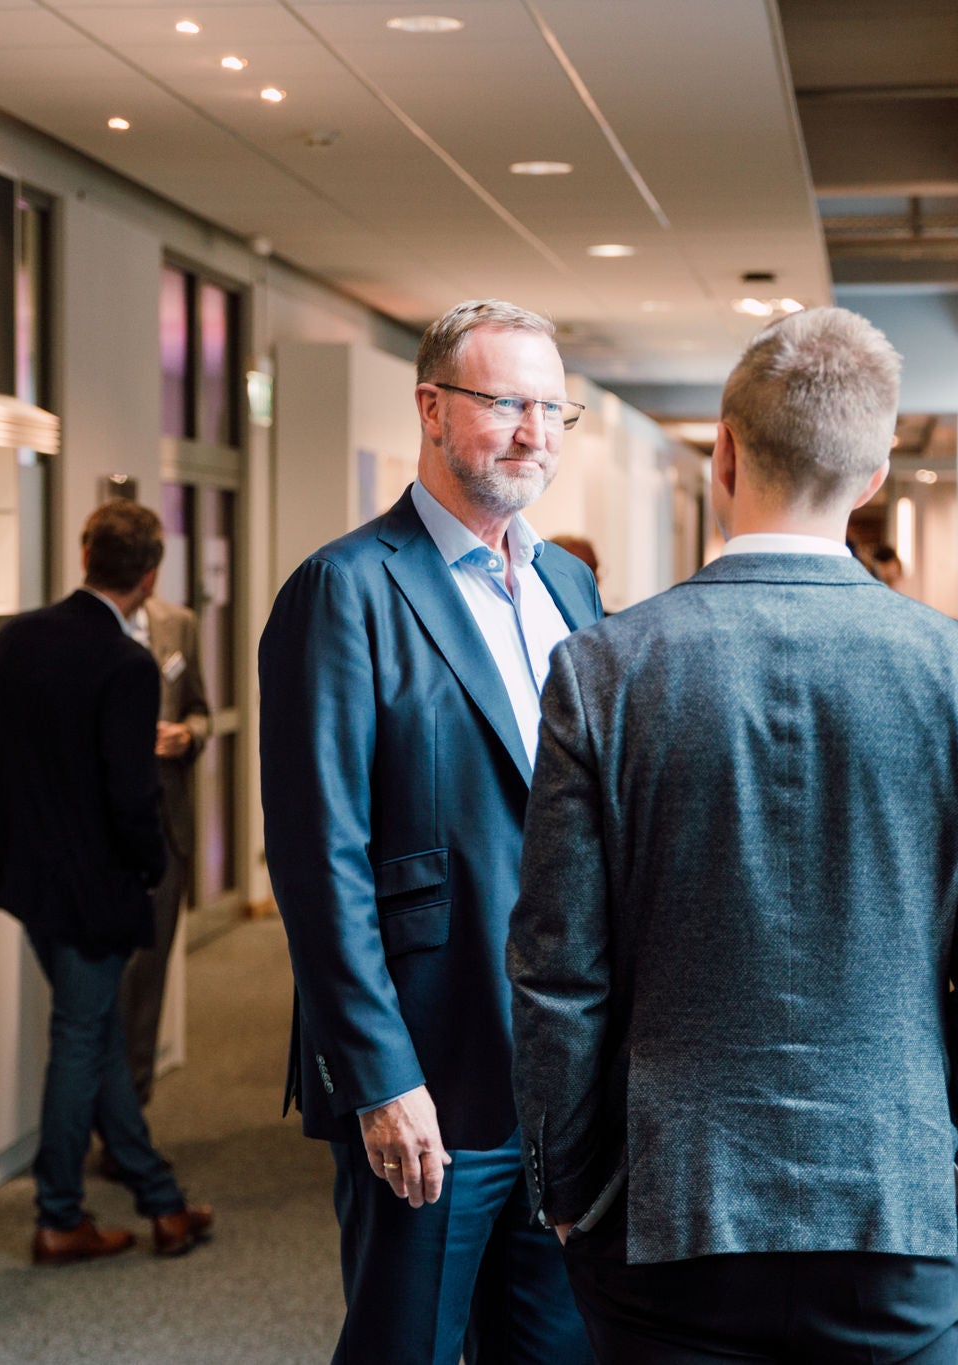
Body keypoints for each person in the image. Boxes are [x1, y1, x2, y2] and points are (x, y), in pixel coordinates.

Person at [509, 306, 958, 1365]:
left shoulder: (605, 667)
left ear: (722, 452)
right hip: (894, 1194)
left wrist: (565, 1182)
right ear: (873, 473)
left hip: (663, 1197)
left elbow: (556, 968)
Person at [259, 299, 603, 1365]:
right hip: (427, 1069)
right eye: (505, 403)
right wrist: (377, 1075)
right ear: (431, 407)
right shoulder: (345, 588)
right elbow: (319, 857)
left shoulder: (568, 585)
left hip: (560, 1077)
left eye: (553, 409)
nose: (532, 433)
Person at [0, 501, 213, 1265]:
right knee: (79, 1036)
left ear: (84, 553)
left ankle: (160, 1198)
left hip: (25, 875)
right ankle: (59, 1212)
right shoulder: (125, 665)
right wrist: (150, 867)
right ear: (151, 572)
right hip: (94, 883)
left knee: (90, 1028)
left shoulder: (14, 639)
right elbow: (131, 795)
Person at [120, 591, 209, 1107]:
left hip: (167, 825)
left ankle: (132, 1112)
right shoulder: (89, 626)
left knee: (149, 982)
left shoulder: (179, 623)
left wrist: (188, 735)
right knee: (103, 988)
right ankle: (103, 1116)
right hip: (107, 833)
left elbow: (201, 709)